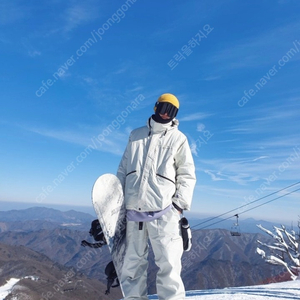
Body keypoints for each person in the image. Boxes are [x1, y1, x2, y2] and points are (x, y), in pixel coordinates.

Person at [117, 93, 196, 299]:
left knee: (169, 266)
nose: (165, 112)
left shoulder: (179, 139)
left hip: (164, 212)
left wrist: (178, 206)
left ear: (175, 114)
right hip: (134, 211)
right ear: (155, 106)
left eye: (172, 110)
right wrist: (117, 201)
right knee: (132, 267)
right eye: (163, 106)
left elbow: (187, 174)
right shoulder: (136, 135)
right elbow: (123, 169)